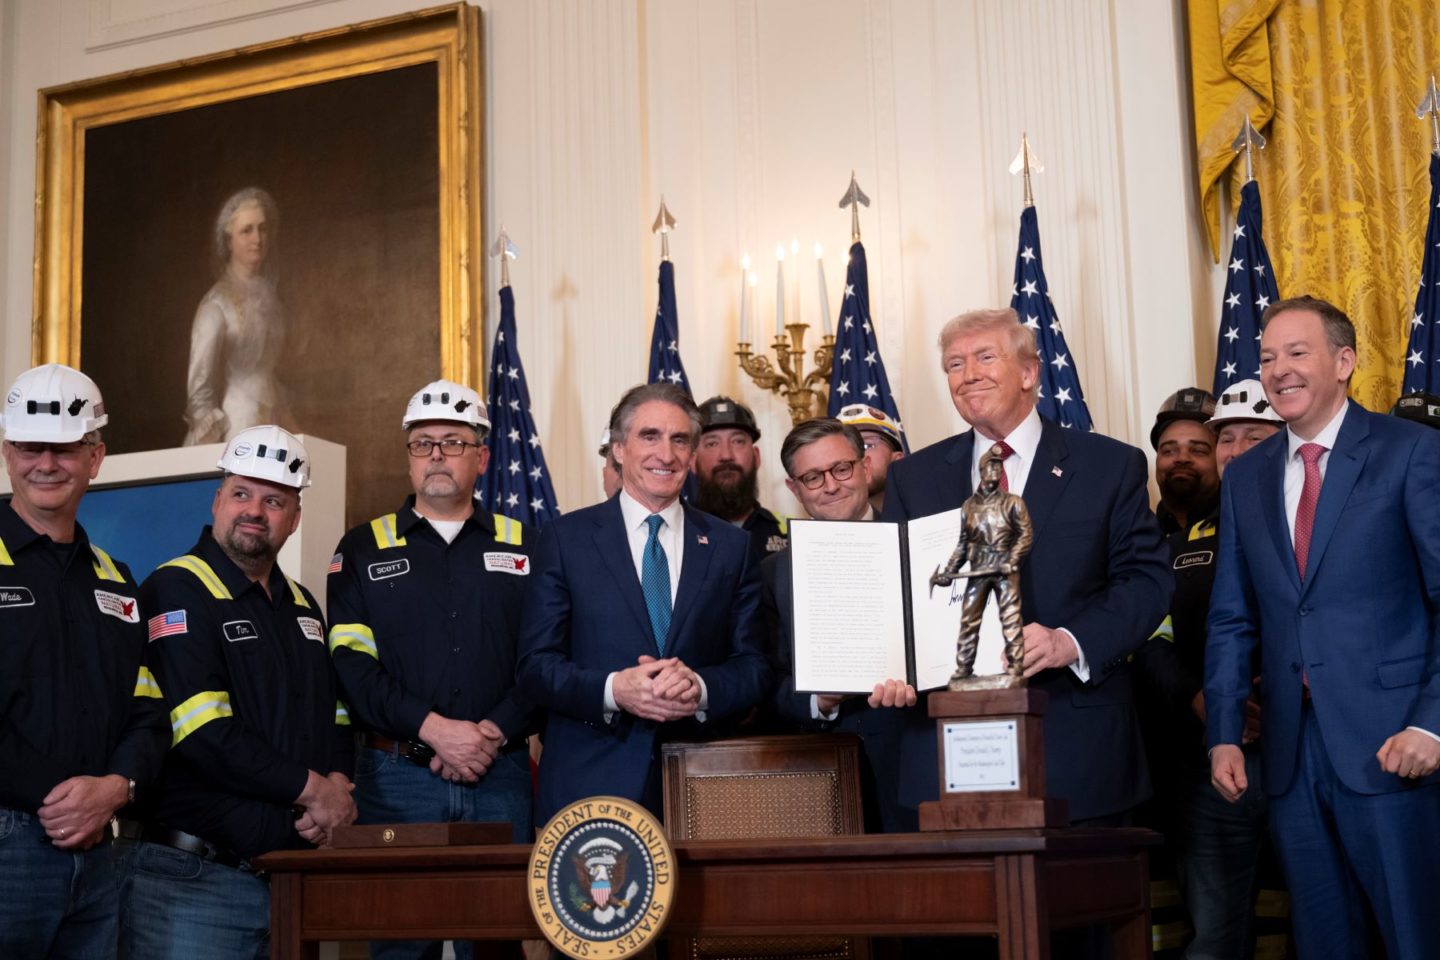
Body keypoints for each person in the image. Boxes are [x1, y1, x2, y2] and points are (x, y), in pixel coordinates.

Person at [1206, 296, 1440, 959]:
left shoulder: (1411, 453)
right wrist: (1223, 733)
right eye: (1267, 357)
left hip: (1395, 745)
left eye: (1297, 352)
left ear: (1344, 362)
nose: (1278, 369)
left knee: (1413, 937)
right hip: (1290, 757)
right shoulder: (1245, 478)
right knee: (1323, 943)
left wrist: (1432, 725)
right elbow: (1231, 617)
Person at [881, 308, 1171, 831]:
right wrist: (886, 664)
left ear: (1030, 373)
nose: (968, 374)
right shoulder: (913, 478)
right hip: (945, 753)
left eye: (984, 358)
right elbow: (893, 594)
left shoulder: (1109, 465)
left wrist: (1069, 641)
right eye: (954, 364)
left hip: (1074, 749)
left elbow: (1146, 582)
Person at [117, 426, 355, 959]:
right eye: (242, 493)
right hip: (192, 882)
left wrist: (338, 785)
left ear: (294, 518)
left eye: (274, 501)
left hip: (288, 881)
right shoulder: (175, 587)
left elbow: (336, 715)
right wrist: (315, 791)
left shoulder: (302, 605)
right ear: (217, 500)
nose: (254, 512)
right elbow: (200, 732)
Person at [327, 379, 535, 960]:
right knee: (400, 944)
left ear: (482, 457)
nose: (437, 455)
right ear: (409, 457)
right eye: (422, 444)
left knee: (497, 944)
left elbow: (545, 662)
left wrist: (489, 734)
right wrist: (435, 730)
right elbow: (350, 667)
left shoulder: (527, 546)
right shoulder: (361, 548)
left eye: (453, 442)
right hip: (396, 780)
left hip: (501, 777)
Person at [517, 383, 772, 823]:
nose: (665, 454)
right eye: (649, 436)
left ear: (692, 454)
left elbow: (754, 667)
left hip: (703, 780)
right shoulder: (564, 539)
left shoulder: (731, 546)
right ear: (619, 449)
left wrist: (700, 688)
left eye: (680, 440)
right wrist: (614, 690)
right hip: (592, 782)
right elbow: (535, 667)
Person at [0, 364, 167, 958]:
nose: (46, 463)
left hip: (99, 854)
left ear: (95, 457)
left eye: (66, 449)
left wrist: (116, 788)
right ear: (7, 452)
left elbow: (149, 710)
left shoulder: (117, 581)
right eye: (30, 447)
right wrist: (61, 799)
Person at [1133, 378, 1285, 959]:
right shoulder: (1175, 545)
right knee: (1216, 936)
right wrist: (1208, 700)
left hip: (1310, 748)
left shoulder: (1322, 515)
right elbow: (1153, 641)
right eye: (1227, 438)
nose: (1236, 451)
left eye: (1255, 437)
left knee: (1329, 918)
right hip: (1212, 760)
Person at [761, 417, 913, 832]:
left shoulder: (916, 546)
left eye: (841, 469)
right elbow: (766, 681)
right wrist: (819, 700)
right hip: (818, 774)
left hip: (912, 761)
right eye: (813, 477)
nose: (830, 486)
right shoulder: (772, 574)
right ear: (794, 488)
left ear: (864, 467)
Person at [183, 187, 288, 445]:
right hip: (238, 421)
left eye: (262, 229)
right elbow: (200, 389)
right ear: (229, 241)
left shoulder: (270, 298)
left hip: (273, 420)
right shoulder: (216, 304)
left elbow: (271, 371)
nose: (257, 239)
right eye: (247, 230)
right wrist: (211, 439)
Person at [693, 395, 788, 563]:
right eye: (712, 444)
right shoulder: (678, 531)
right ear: (692, 462)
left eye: (738, 441)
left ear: (756, 456)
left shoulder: (788, 533)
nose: (726, 455)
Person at [1151, 388, 1219, 535]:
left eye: (1198, 450)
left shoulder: (1241, 531)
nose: (1182, 458)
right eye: (1169, 450)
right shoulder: (1138, 534)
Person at [836, 402, 905, 516]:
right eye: (843, 449)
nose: (855, 456)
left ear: (897, 460)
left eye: (867, 445)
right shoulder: (815, 526)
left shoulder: (926, 519)